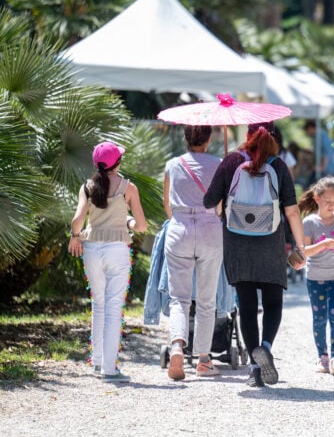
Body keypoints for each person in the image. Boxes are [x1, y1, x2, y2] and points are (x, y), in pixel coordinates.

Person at [203, 125, 306, 388]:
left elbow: (208, 201)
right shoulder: (279, 166)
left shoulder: (231, 161)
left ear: (247, 137)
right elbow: (292, 211)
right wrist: (300, 247)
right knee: (273, 302)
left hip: (237, 244)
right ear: (275, 139)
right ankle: (266, 347)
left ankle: (254, 368)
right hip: (270, 243)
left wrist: (226, 187)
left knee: (247, 306)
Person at [67, 141, 147, 383]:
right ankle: (109, 369)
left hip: (91, 249)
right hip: (117, 250)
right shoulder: (128, 187)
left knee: (98, 303)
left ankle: (98, 360)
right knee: (113, 308)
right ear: (118, 163)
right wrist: (128, 222)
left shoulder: (87, 187)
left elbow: (77, 220)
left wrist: (74, 237)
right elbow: (142, 226)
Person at [162, 125, 223, 381]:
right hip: (210, 230)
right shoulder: (220, 164)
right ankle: (204, 360)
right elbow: (221, 205)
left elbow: (167, 205)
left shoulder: (172, 165)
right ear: (208, 139)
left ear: (185, 138)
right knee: (207, 300)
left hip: (179, 230)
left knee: (179, 298)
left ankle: (177, 345)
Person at [298, 176, 334, 376]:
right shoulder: (309, 222)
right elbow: (304, 252)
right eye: (328, 201)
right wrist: (324, 244)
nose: (332, 206)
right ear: (317, 198)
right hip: (315, 277)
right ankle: (322, 356)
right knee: (319, 318)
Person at [303, 119, 334, 185]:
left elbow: (325, 152)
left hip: (325, 169)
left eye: (307, 131)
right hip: (325, 167)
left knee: (310, 187)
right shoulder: (321, 134)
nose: (307, 133)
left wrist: (321, 167)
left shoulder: (320, 136)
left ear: (310, 128)